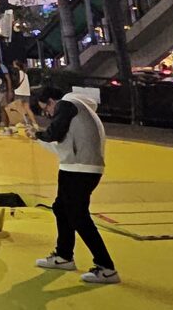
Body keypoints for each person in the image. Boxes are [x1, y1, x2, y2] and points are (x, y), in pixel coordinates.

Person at [33, 84, 119, 283]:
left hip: (80, 169)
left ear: (52, 102)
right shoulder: (78, 110)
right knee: (61, 208)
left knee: (78, 215)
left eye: (45, 109)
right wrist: (38, 137)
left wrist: (39, 134)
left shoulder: (67, 104)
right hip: (75, 168)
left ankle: (106, 267)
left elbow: (54, 133)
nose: (47, 114)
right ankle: (63, 256)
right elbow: (61, 145)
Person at [5, 63, 37, 138]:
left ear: (17, 66)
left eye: (14, 65)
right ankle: (35, 124)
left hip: (19, 92)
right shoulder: (25, 74)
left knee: (17, 109)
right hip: (26, 93)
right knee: (27, 109)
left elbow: (15, 82)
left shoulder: (17, 73)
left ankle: (22, 124)